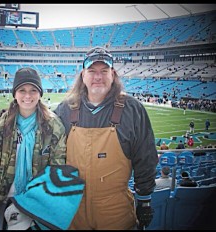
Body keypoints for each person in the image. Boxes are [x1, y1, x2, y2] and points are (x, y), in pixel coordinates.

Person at [54, 46, 158, 230]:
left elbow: (146, 156)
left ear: (113, 75)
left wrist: (144, 199)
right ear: (83, 75)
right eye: (92, 71)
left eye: (104, 71)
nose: (98, 77)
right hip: (73, 208)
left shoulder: (132, 109)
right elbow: (42, 131)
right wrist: (13, 115)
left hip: (115, 209)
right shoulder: (65, 109)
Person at [0, 67, 67, 230]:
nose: (28, 96)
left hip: (39, 202)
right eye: (22, 90)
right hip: (5, 200)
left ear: (40, 93)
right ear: (15, 93)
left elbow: (57, 167)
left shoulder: (54, 127)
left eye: (33, 90)